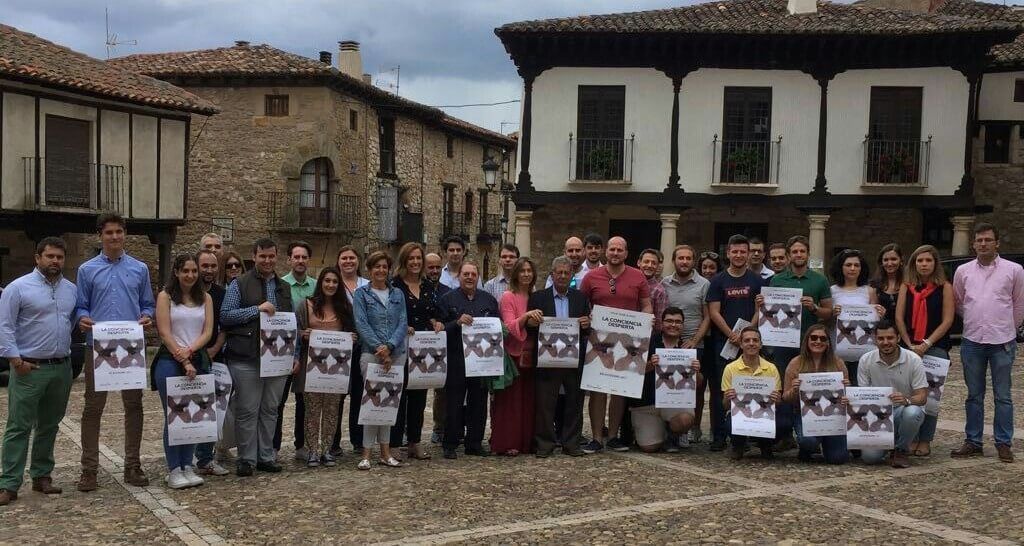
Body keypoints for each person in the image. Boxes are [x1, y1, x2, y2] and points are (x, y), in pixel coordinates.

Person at [75, 213, 156, 491]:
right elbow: (81, 305)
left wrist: (147, 316)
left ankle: (132, 465)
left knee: (134, 405)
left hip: (130, 346)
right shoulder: (86, 270)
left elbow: (147, 303)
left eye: (119, 231)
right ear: (100, 235)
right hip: (97, 347)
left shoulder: (140, 269)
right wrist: (82, 318)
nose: (114, 237)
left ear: (125, 234)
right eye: (109, 232)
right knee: (93, 407)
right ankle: (89, 470)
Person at [0, 237, 77, 505]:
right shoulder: (17, 288)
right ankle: (9, 483)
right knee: (18, 426)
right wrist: (15, 361)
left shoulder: (71, 290)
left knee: (49, 425)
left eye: (59, 257)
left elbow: (71, 322)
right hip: (28, 368)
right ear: (37, 258)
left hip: (61, 368)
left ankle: (42, 475)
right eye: (50, 256)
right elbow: (5, 326)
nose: (55, 261)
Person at [220, 238, 294, 476]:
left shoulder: (284, 287)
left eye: (271, 256)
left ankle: (266, 456)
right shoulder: (239, 284)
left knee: (270, 410)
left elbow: (292, 323)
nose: (267, 260)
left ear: (276, 257)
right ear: (254, 257)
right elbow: (226, 315)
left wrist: (295, 355)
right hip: (246, 357)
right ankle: (246, 459)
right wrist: (257, 309)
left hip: (277, 358)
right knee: (247, 410)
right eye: (263, 256)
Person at [951, 223, 1024, 463]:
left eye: (988, 240)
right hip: (973, 340)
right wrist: (977, 319)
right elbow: (959, 302)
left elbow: (1019, 303)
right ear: (973, 244)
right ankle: (973, 441)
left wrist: (1008, 328)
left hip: (1002, 341)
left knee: (1003, 396)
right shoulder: (962, 271)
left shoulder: (1014, 270)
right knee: (974, 395)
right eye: (979, 240)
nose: (983, 244)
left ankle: (1003, 442)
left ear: (997, 243)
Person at [579, 236, 652, 454]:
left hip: (629, 339)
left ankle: (613, 436)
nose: (615, 253)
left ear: (626, 253)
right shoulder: (591, 277)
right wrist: (586, 318)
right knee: (597, 389)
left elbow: (646, 305)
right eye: (612, 249)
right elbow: (581, 305)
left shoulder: (638, 276)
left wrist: (646, 319)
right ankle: (596, 437)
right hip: (599, 340)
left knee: (620, 388)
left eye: (620, 250)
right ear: (606, 252)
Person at [764, 235, 833, 450]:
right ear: (788, 255)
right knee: (785, 387)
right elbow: (770, 313)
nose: (799, 255)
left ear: (808, 254)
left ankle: (814, 430)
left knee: (811, 386)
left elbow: (829, 312)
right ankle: (785, 434)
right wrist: (762, 304)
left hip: (811, 344)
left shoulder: (819, 280)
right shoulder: (777, 280)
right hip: (783, 343)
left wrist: (814, 308)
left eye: (802, 251)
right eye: (795, 251)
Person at [153, 254, 214, 489]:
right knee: (175, 415)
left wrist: (191, 351)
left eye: (194, 271)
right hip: (170, 360)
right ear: (176, 272)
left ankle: (187, 464)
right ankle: (174, 469)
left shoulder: (205, 298)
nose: (190, 275)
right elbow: (165, 332)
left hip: (197, 358)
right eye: (185, 271)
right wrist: (183, 357)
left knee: (193, 415)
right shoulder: (165, 296)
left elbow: (207, 331)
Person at [528, 256, 591, 457]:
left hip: (573, 358)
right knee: (545, 405)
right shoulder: (538, 298)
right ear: (552, 275)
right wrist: (532, 322)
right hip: (547, 358)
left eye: (566, 273)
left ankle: (571, 443)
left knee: (575, 403)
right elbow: (529, 329)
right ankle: (545, 444)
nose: (563, 276)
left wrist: (586, 324)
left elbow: (587, 329)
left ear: (572, 275)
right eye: (559, 273)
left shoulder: (580, 298)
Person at [895, 245, 954, 459]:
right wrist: (909, 344)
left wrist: (926, 344)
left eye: (928, 260)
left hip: (935, 347)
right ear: (914, 264)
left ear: (935, 263)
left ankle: (925, 439)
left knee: (930, 397)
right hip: (909, 346)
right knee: (910, 393)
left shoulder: (945, 287)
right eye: (920, 261)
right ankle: (912, 436)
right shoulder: (907, 287)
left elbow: (948, 320)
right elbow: (899, 317)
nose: (924, 264)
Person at [706, 234, 763, 452]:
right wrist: (732, 334)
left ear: (748, 254)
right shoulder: (718, 281)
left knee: (748, 387)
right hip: (724, 343)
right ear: (728, 253)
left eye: (743, 252)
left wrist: (746, 335)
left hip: (749, 344)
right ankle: (719, 435)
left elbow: (759, 310)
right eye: (735, 251)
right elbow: (714, 311)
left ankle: (745, 433)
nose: (739, 255)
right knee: (721, 390)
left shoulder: (756, 281)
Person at [438, 261, 500, 459]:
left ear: (478, 277)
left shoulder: (489, 300)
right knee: (454, 403)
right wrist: (456, 322)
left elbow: (498, 326)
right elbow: (440, 329)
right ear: (459, 277)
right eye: (466, 274)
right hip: (456, 358)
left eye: (473, 274)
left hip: (482, 360)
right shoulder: (447, 299)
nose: (470, 277)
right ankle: (450, 443)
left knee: (479, 403)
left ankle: (474, 443)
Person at [294, 267, 354, 468]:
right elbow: (294, 331)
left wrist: (352, 338)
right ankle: (312, 451)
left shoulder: (344, 307)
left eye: (335, 282)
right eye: (327, 280)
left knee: (331, 410)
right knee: (312, 410)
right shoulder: (306, 304)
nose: (331, 285)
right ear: (320, 282)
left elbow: (352, 331)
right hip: (311, 368)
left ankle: (327, 450)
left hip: (336, 368)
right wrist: (302, 334)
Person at [390, 243, 445, 460]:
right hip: (400, 346)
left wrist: (436, 322)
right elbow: (389, 314)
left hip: (423, 348)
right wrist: (402, 327)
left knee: (419, 397)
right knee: (399, 396)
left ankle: (415, 442)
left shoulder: (428, 286)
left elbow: (434, 311)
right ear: (404, 260)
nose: (415, 262)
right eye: (411, 258)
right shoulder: (394, 285)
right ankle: (394, 443)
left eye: (418, 258)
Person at [352, 251, 407, 469]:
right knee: (372, 402)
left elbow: (403, 322)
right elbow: (361, 323)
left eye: (385, 266)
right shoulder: (361, 294)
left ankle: (385, 451)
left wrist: (390, 346)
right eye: (377, 266)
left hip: (396, 354)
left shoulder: (398, 294)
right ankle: (366, 452)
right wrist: (380, 348)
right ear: (369, 269)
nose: (381, 270)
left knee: (388, 404)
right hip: (371, 354)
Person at [853, 320, 927, 468]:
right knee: (870, 458)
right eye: (881, 338)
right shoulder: (865, 360)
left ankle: (901, 450)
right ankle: (889, 443)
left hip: (903, 411)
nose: (886, 342)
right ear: (875, 339)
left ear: (898, 338)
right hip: (878, 416)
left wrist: (906, 400)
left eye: (890, 338)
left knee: (913, 412)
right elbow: (862, 396)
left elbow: (922, 397)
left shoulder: (914, 360)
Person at [631, 307, 700, 453]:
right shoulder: (647, 342)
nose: (673, 325)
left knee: (685, 420)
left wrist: (696, 371)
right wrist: (650, 365)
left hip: (674, 403)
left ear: (683, 325)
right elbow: (632, 371)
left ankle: (673, 434)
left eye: (678, 322)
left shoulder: (688, 348)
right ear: (661, 323)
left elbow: (699, 382)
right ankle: (660, 429)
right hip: (647, 403)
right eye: (669, 321)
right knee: (649, 447)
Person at [662, 245, 710, 445]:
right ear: (674, 260)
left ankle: (693, 427)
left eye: (688, 258)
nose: (684, 261)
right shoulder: (665, 283)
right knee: (669, 384)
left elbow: (707, 316)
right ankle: (671, 425)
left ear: (693, 261)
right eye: (680, 258)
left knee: (695, 387)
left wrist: (695, 340)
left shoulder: (704, 284)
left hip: (693, 343)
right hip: (668, 343)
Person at [782, 324, 850, 465]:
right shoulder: (795, 363)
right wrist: (794, 390)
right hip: (805, 415)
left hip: (833, 416)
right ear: (807, 340)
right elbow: (785, 397)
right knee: (809, 442)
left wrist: (847, 391)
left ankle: (825, 440)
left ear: (828, 343)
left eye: (823, 339)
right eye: (813, 338)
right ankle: (807, 448)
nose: (818, 341)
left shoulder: (838, 363)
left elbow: (847, 397)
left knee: (838, 458)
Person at [492, 257, 540, 456]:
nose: (526, 274)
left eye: (529, 271)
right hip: (514, 355)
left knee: (529, 401)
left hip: (534, 355)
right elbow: (509, 326)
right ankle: (508, 442)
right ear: (516, 274)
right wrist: (526, 317)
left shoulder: (536, 296)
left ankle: (526, 442)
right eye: (522, 271)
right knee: (510, 403)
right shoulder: (508, 297)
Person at [276, 241, 315, 461]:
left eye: (304, 257)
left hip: (310, 351)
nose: (300, 261)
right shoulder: (280, 285)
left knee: (304, 401)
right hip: (284, 349)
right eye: (296, 257)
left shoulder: (316, 286)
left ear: (309, 260)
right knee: (278, 400)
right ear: (289, 259)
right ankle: (273, 447)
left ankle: (301, 445)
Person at [193, 249, 230, 477]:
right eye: (204, 266)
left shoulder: (221, 294)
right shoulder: (186, 292)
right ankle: (184, 459)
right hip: (187, 356)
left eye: (213, 266)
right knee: (187, 407)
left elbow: (225, 326)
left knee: (211, 410)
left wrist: (214, 349)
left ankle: (206, 458)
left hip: (214, 357)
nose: (209, 270)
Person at [722, 327, 783, 460]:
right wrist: (727, 398)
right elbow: (725, 406)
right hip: (740, 413)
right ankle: (738, 445)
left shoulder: (771, 368)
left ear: (761, 344)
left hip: (764, 412)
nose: (751, 343)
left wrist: (777, 399)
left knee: (783, 424)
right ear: (741, 344)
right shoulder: (730, 369)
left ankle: (766, 445)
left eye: (755, 340)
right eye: (747, 340)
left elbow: (777, 404)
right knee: (729, 423)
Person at [828, 248, 887, 385]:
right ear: (840, 267)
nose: (853, 268)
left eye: (857, 265)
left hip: (864, 349)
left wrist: (881, 315)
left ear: (862, 268)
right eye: (848, 265)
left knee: (859, 387)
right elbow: (825, 321)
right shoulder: (831, 291)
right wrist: (832, 314)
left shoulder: (870, 291)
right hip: (838, 350)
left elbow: (875, 323)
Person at [334, 245, 369, 456]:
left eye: (352, 258)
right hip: (338, 346)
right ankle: (333, 442)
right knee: (336, 394)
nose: (348, 261)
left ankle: (358, 439)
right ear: (338, 261)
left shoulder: (367, 285)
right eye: (344, 258)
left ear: (358, 261)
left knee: (359, 394)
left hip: (362, 346)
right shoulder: (332, 283)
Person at [424, 251, 449, 445]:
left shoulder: (447, 292)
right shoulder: (417, 288)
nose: (434, 271)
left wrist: (441, 323)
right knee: (413, 388)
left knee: (441, 390)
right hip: (417, 343)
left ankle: (439, 428)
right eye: (430, 267)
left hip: (440, 345)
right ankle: (407, 429)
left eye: (437, 267)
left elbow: (449, 316)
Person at [638, 248, 669, 334]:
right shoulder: (628, 281)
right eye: (646, 261)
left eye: (654, 263)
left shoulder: (660, 291)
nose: (650, 265)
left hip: (646, 336)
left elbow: (659, 324)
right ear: (639, 263)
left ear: (657, 266)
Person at [869, 244, 903, 321]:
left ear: (901, 261)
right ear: (881, 262)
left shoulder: (909, 283)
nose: (889, 263)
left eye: (893, 259)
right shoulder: (874, 285)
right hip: (883, 327)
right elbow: (872, 315)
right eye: (886, 260)